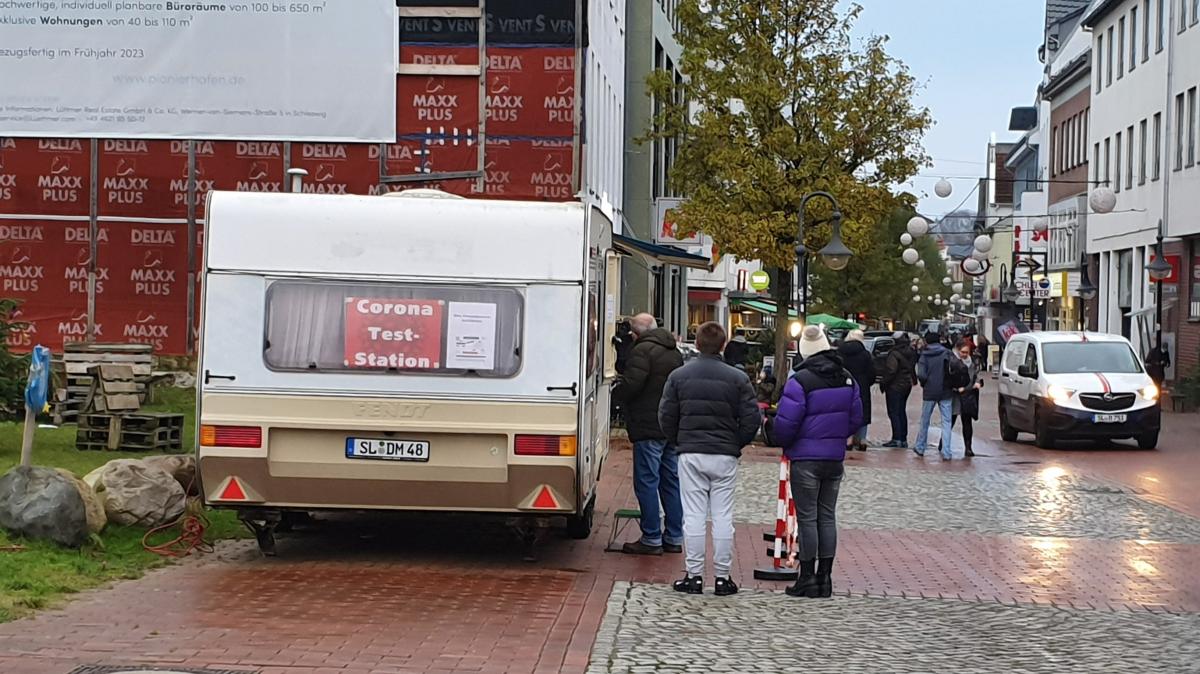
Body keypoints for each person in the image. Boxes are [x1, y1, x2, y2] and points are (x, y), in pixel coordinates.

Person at [658, 322, 760, 596]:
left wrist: (678, 441)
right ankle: (723, 577)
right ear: (723, 345)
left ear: (698, 344)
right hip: (724, 453)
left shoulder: (679, 376)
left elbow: (666, 415)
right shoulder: (738, 378)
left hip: (690, 450)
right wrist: (736, 442)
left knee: (693, 515)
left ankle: (694, 575)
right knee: (723, 516)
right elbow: (752, 419)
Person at [771, 325, 862, 598]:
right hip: (834, 458)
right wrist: (835, 436)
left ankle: (807, 577)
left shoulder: (800, 381)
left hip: (805, 458)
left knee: (807, 518)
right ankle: (825, 579)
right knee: (827, 516)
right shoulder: (847, 379)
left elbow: (786, 424)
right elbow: (856, 418)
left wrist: (784, 439)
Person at [614, 313, 685, 555]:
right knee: (670, 481)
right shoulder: (673, 351)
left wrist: (615, 396)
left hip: (647, 424)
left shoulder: (642, 350)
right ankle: (674, 536)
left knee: (646, 481)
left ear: (636, 333)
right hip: (670, 424)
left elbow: (633, 383)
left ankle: (651, 536)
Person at [914, 331, 955, 461]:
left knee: (925, 420)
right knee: (947, 422)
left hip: (930, 391)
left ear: (927, 341)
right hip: (946, 390)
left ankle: (920, 447)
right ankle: (946, 451)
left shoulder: (924, 355)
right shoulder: (947, 353)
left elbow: (921, 374)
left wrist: (924, 383)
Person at [837, 329, 875, 451]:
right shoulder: (865, 354)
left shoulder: (840, 352)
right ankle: (862, 439)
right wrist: (867, 382)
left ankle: (848, 439)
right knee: (863, 410)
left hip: (844, 384)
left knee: (846, 410)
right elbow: (872, 373)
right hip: (862, 384)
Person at [946, 339, 984, 457]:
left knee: (967, 422)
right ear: (957, 350)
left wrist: (978, 383)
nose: (965, 355)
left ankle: (968, 447)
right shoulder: (952, 361)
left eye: (967, 352)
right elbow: (948, 378)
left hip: (968, 395)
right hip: (956, 396)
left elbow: (976, 375)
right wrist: (956, 388)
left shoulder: (971, 362)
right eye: (962, 352)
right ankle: (943, 443)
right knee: (950, 421)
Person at [879, 332, 917, 448]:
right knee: (901, 411)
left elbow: (891, 370)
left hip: (895, 386)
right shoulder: (911, 352)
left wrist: (883, 383)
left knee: (894, 412)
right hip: (906, 385)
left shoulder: (894, 354)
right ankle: (903, 438)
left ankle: (896, 439)